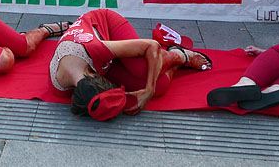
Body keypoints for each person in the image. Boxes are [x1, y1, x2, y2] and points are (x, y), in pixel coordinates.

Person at [51, 9, 211, 119]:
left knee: (142, 70)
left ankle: (178, 55)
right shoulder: (60, 86)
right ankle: (173, 65)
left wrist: (149, 89)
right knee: (159, 85)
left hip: (106, 24)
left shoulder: (95, 49)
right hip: (97, 59)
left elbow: (151, 46)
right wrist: (153, 88)